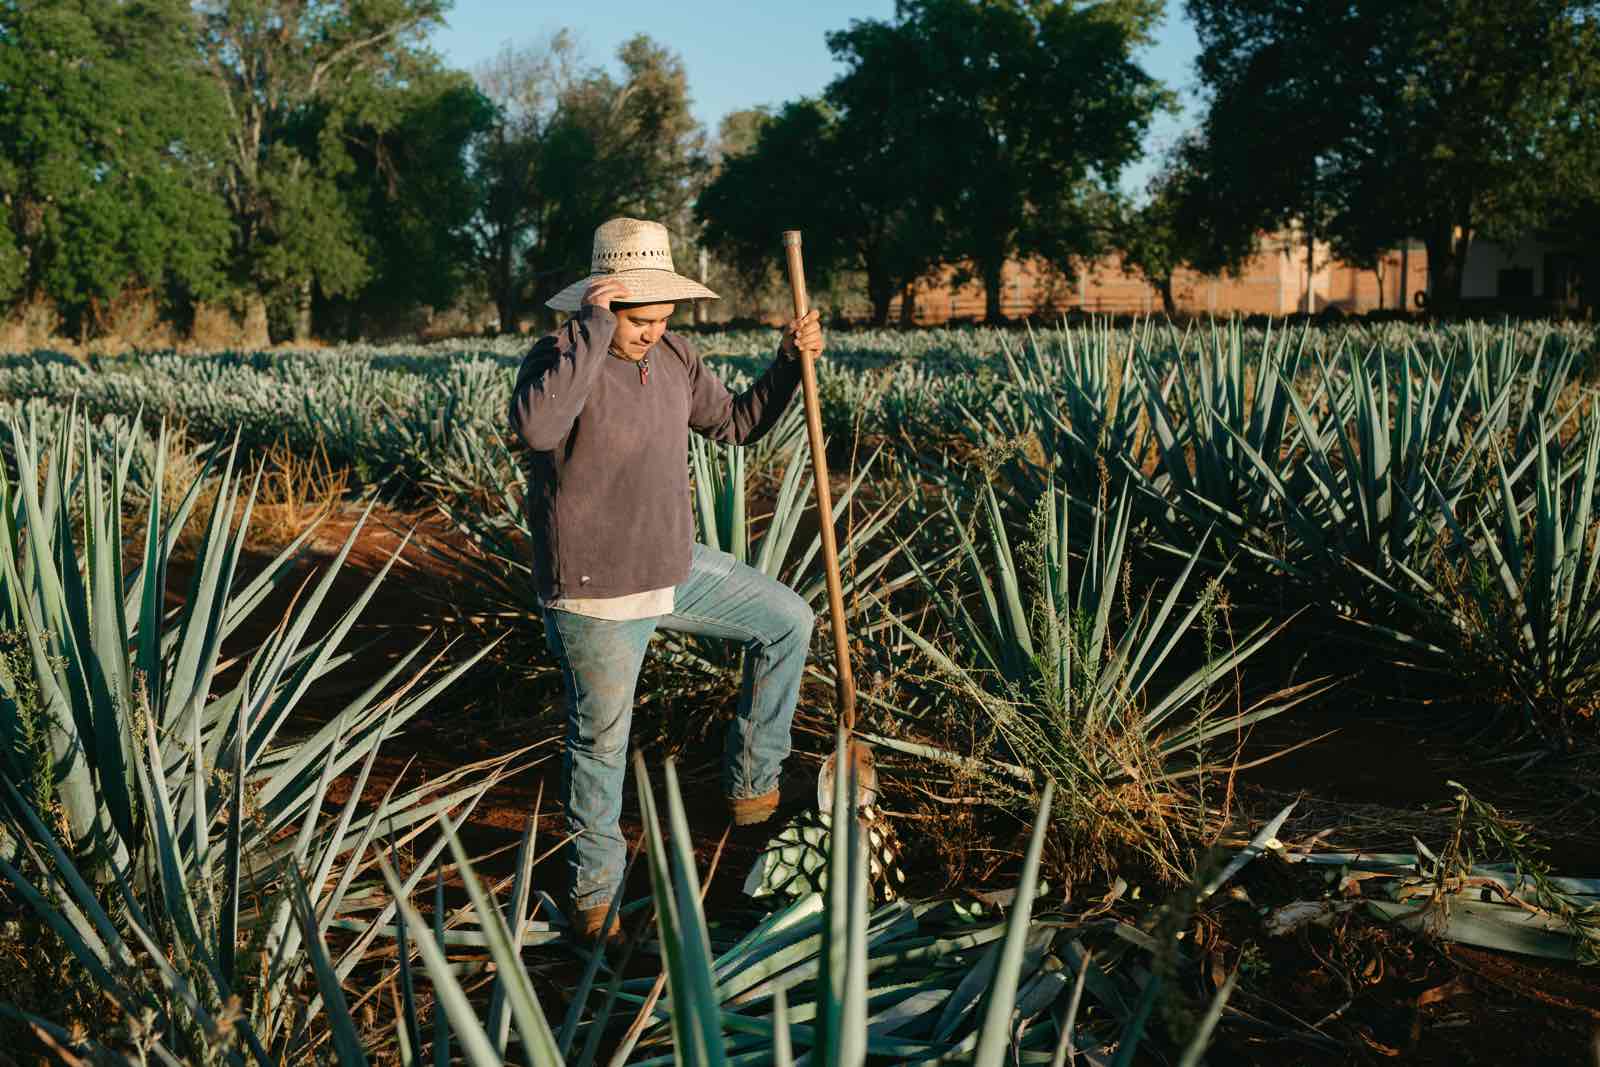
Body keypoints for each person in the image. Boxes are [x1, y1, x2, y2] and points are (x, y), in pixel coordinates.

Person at [506, 217, 823, 945]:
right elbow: (537, 431)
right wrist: (589, 332)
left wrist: (787, 363)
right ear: (601, 302)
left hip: (672, 569)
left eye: (660, 316)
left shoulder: (676, 355)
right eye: (635, 318)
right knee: (601, 748)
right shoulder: (557, 357)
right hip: (595, 593)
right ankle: (595, 902)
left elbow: (737, 424)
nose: (650, 331)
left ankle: (752, 784)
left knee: (786, 619)